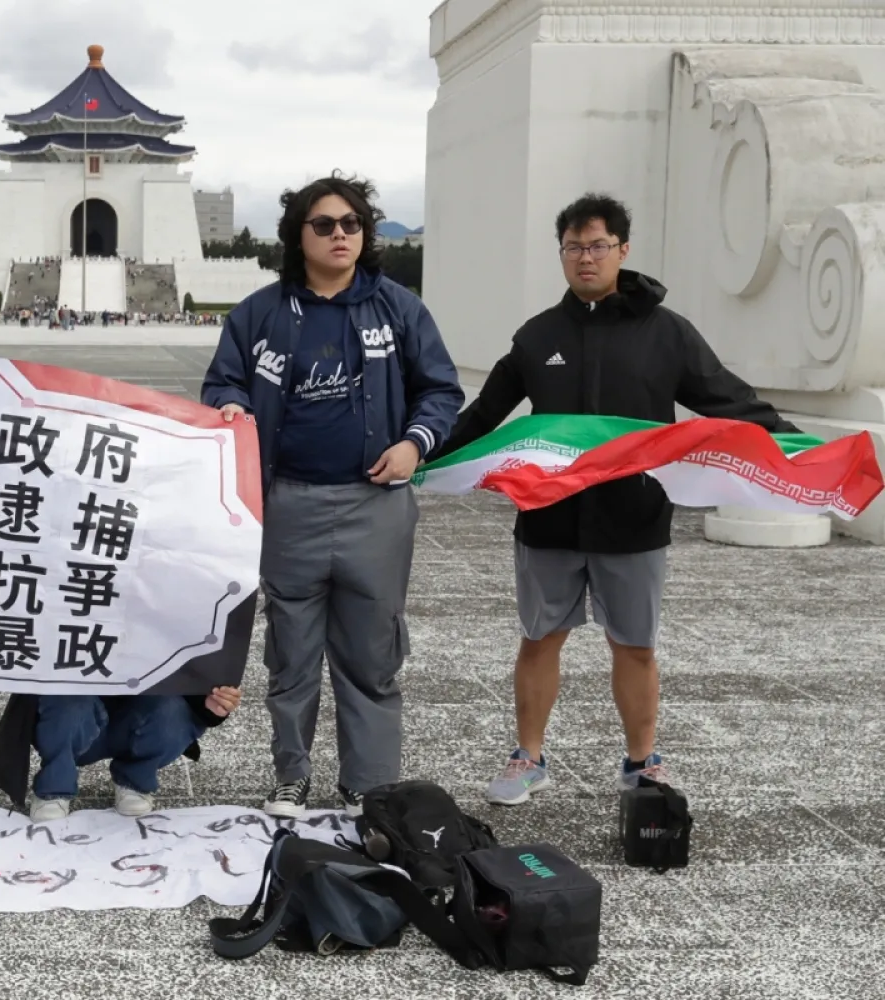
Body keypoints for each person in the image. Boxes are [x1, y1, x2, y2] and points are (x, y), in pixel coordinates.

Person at [441, 193, 801, 807]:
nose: (587, 257)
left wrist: (791, 442)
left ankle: (642, 763)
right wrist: (424, 456)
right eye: (575, 247)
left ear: (623, 250)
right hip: (548, 518)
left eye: (599, 245)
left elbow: (723, 396)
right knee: (539, 638)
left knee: (634, 644)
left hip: (633, 518)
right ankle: (528, 757)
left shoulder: (666, 333)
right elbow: (485, 413)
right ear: (562, 254)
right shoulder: (538, 336)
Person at [200, 172, 464, 819]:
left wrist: (415, 444)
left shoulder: (398, 308)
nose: (340, 234)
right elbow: (221, 383)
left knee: (372, 653)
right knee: (291, 652)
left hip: (375, 508)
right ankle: (292, 775)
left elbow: (441, 390)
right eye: (324, 224)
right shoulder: (260, 313)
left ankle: (370, 784)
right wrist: (233, 407)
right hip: (287, 505)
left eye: (351, 223)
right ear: (299, 235)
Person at [0, 660, 240, 820]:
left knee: (174, 713)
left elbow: (203, 665)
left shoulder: (166, 586)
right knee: (68, 700)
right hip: (74, 718)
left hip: (143, 715)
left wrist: (213, 706)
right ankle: (54, 787)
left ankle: (136, 779)